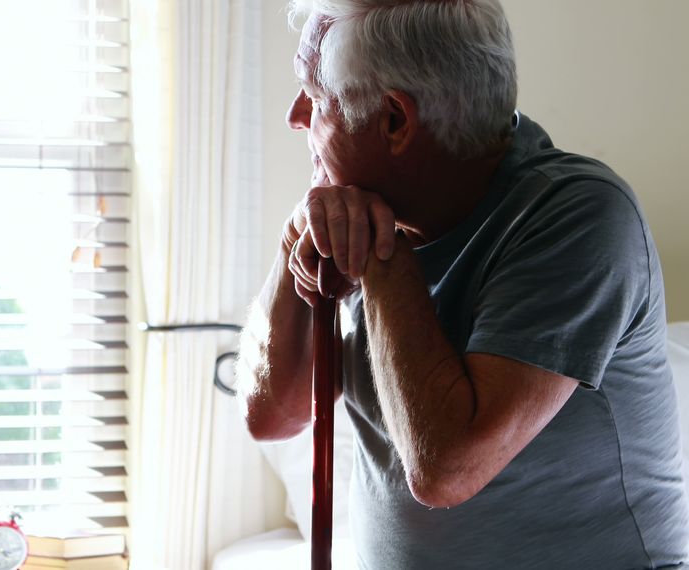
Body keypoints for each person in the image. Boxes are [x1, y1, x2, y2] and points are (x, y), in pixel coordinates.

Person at [235, 0, 689, 567]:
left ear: (396, 120)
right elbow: (272, 415)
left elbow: (446, 469)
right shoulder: (366, 212)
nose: (295, 115)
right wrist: (293, 241)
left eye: (317, 95)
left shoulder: (580, 215)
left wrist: (382, 259)